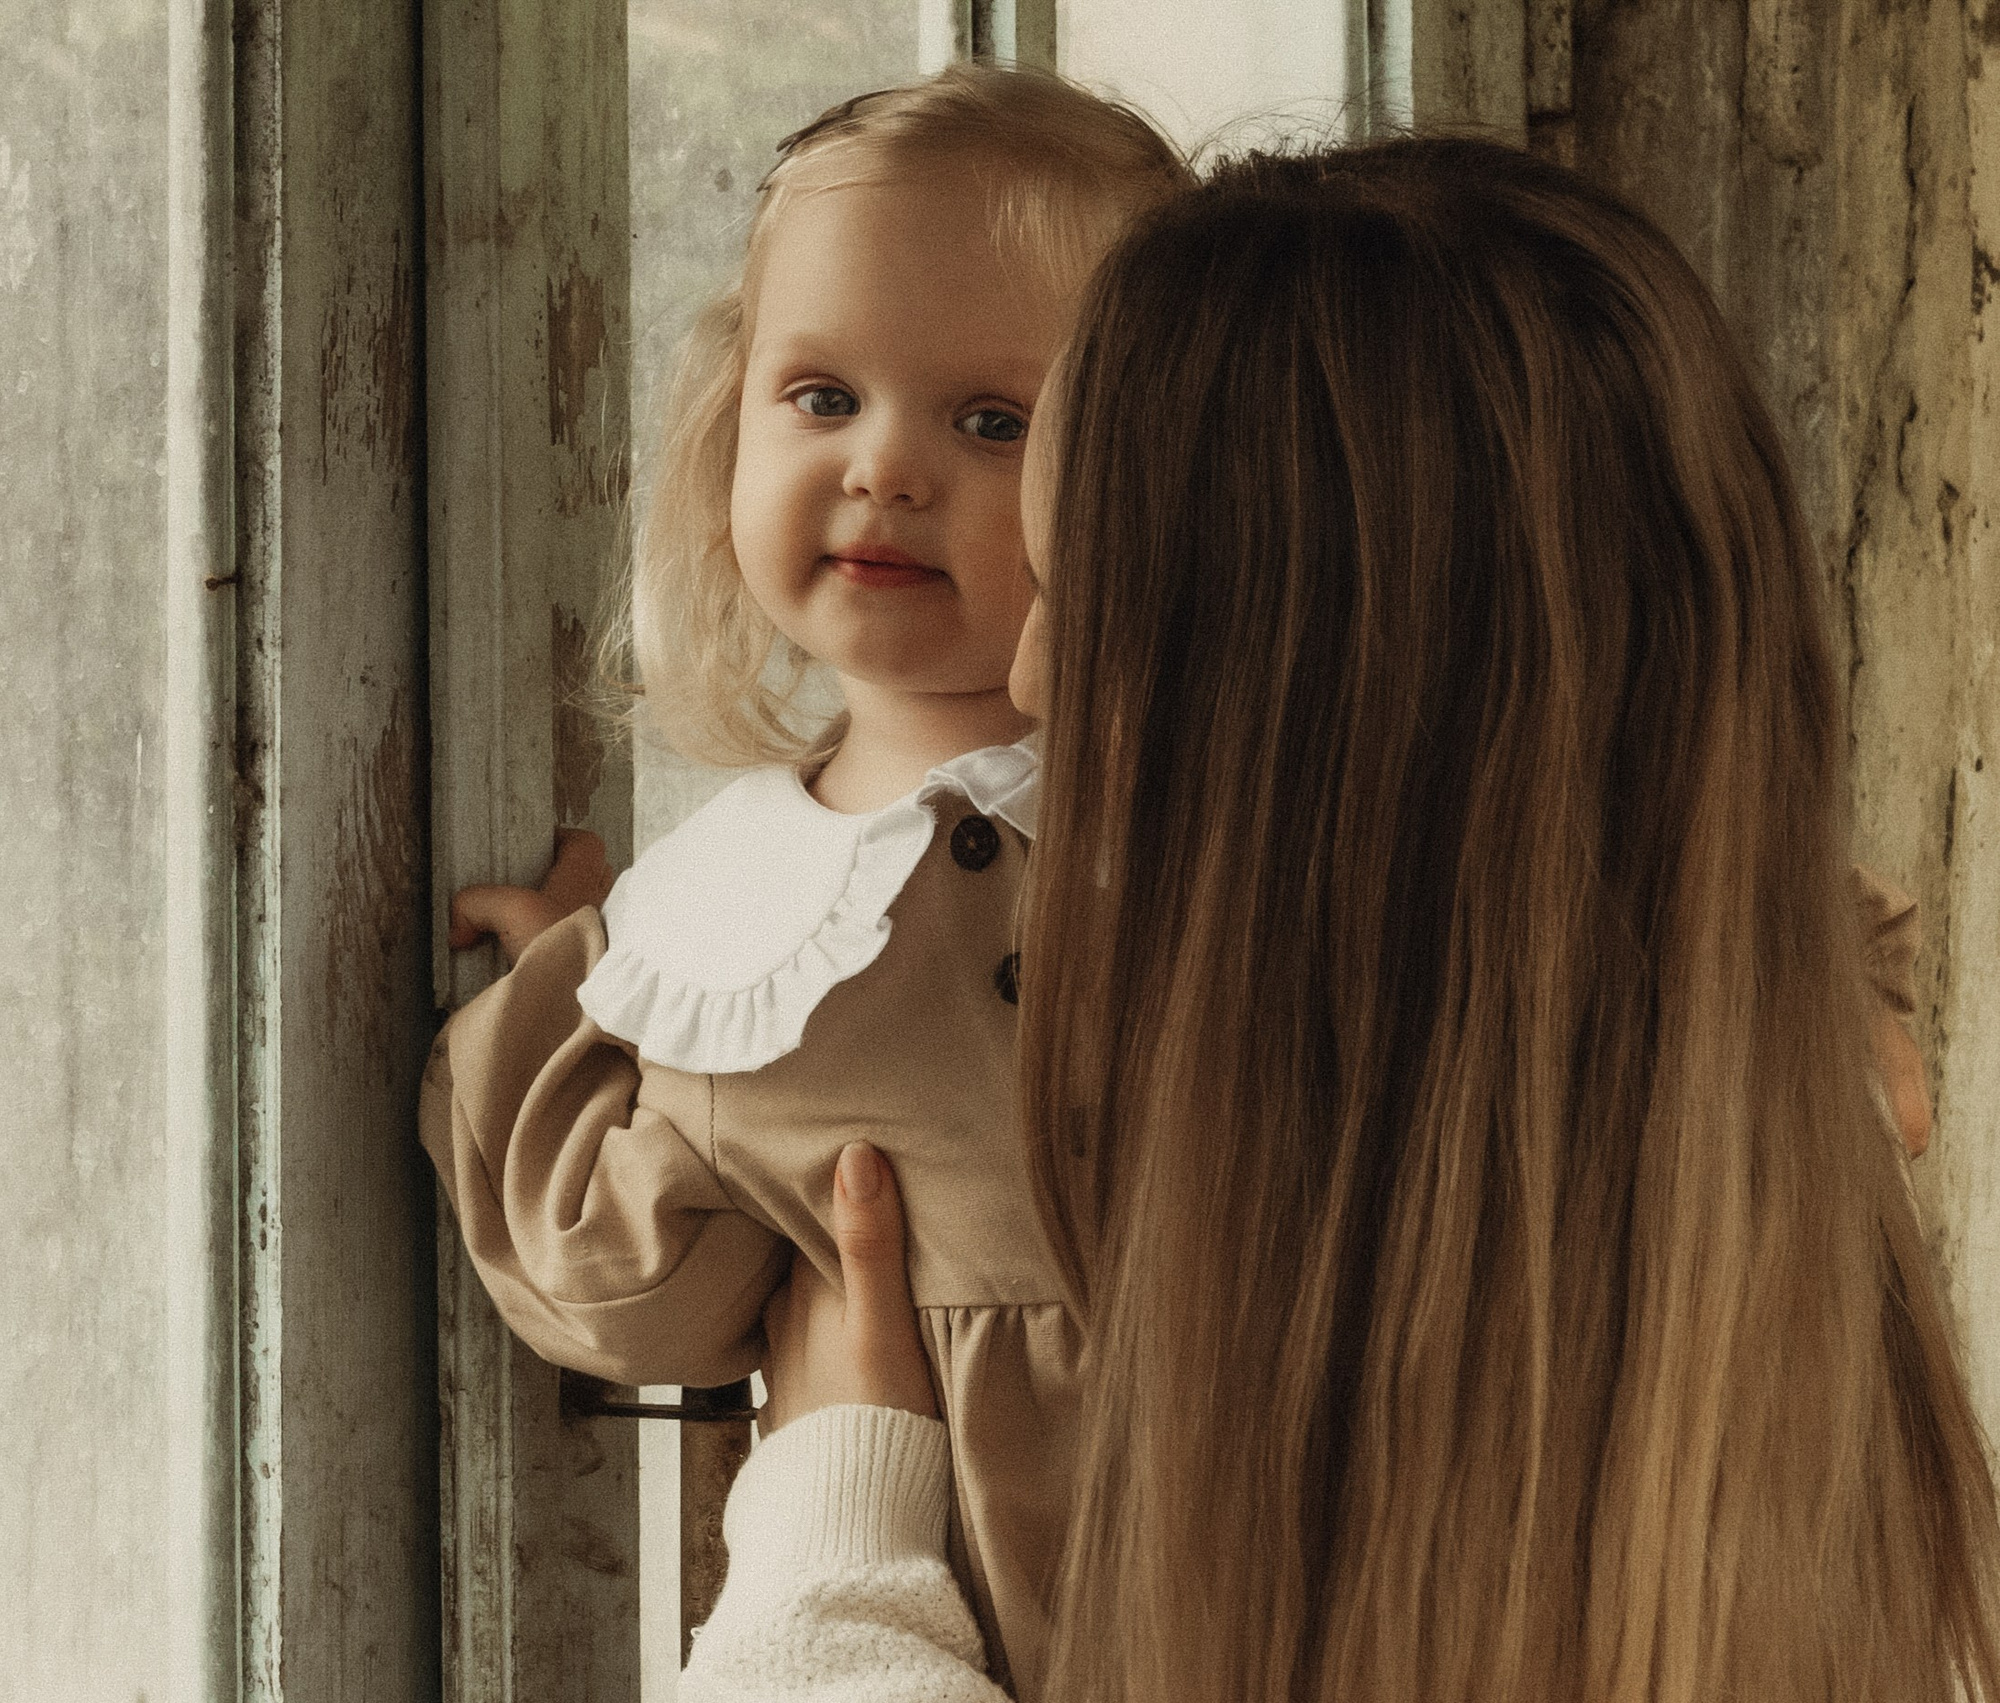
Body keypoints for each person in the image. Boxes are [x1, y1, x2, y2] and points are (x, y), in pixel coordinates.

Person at [679, 134, 2000, 1702]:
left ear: (1316, 771)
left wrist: (836, 1554)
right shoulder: (1819, 1477)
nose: (1029, 691)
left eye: (1092, 614)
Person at [422, 65, 1191, 1695]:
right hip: (977, 1622)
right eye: (823, 397)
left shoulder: (1245, 794)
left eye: (995, 423)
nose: (887, 470)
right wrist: (580, 978)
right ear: (734, 417)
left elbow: (1591, 895)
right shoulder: (739, 928)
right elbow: (626, 1287)